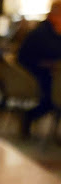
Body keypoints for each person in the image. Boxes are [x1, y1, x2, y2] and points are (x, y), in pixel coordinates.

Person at [17, 1, 61, 136]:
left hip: (48, 74)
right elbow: (47, 54)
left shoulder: (52, 31)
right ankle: (29, 116)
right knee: (53, 97)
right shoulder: (42, 32)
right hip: (33, 75)